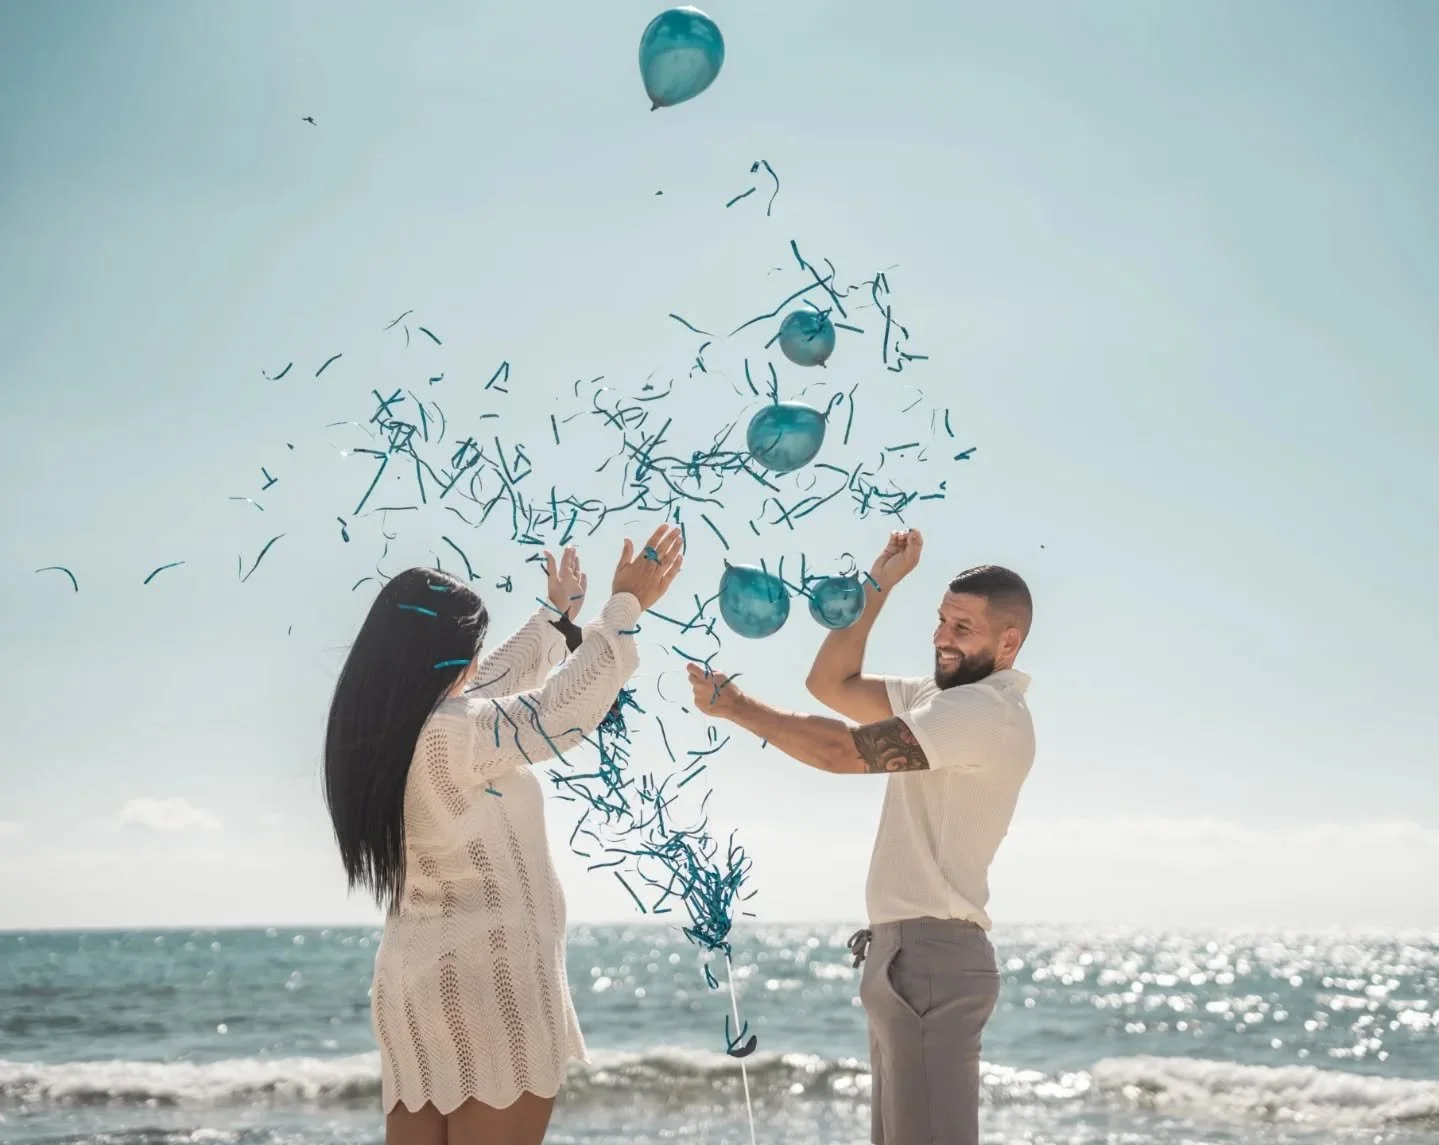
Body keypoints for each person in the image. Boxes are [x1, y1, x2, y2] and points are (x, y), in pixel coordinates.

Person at [324, 526, 684, 1145]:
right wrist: (624, 607)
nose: (474, 665)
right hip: (493, 991)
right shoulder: (449, 734)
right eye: (470, 650)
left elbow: (486, 688)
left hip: (413, 992)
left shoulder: (386, 734)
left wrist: (553, 620)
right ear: (439, 658)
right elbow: (557, 713)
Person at [686, 528, 1035, 1145]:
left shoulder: (984, 712)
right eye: (940, 621)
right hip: (902, 954)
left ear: (1009, 641)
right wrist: (879, 582)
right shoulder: (939, 698)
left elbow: (840, 753)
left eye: (962, 628)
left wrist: (738, 708)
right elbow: (831, 683)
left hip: (932, 960)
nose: (941, 638)